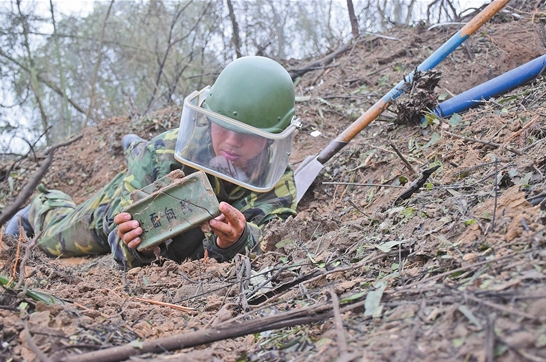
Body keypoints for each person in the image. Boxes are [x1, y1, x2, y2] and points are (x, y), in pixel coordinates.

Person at [4, 56, 299, 270]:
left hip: (191, 235)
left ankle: (134, 145)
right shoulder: (166, 152)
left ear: (271, 140)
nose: (232, 142)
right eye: (222, 126)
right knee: (58, 239)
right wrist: (135, 243)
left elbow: (274, 239)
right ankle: (43, 206)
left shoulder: (276, 183)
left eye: (247, 134)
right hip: (117, 204)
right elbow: (119, 248)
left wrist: (238, 240)